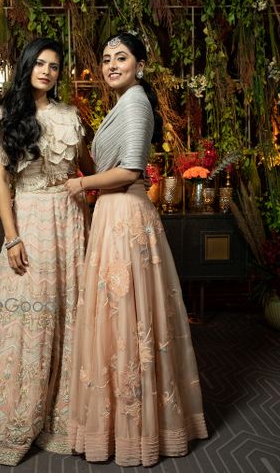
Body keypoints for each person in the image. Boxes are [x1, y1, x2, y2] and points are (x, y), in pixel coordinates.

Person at [65, 32, 208, 467]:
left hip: (125, 217)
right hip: (113, 215)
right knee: (117, 318)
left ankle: (135, 430)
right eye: (106, 58)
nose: (111, 65)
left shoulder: (136, 103)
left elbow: (129, 170)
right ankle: (113, 427)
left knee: (127, 319)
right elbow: (110, 164)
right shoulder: (121, 105)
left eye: (121, 57)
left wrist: (81, 184)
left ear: (140, 65)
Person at [0, 37, 93, 465]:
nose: (48, 71)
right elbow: (1, 185)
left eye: (55, 66)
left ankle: (65, 412)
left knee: (71, 312)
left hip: (70, 220)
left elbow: (88, 166)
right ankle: (14, 412)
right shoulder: (5, 117)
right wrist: (12, 237)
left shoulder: (70, 116)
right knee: (28, 313)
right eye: (41, 64)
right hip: (29, 221)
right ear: (27, 65)